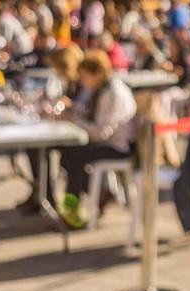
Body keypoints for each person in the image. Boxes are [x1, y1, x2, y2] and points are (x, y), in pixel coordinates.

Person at [56, 50, 136, 229]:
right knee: (68, 153)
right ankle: (98, 193)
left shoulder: (113, 92)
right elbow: (93, 115)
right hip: (107, 141)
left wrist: (73, 120)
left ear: (98, 73)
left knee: (73, 157)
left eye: (85, 77)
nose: (83, 82)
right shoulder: (102, 88)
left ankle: (74, 213)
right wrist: (73, 109)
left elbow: (102, 132)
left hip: (118, 146)